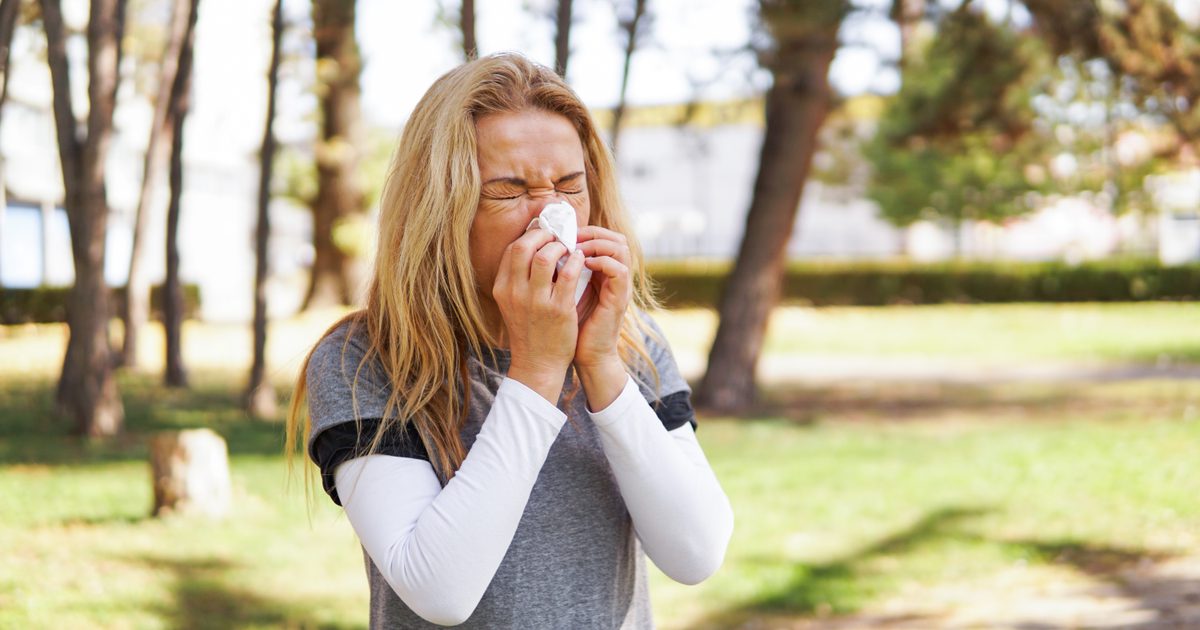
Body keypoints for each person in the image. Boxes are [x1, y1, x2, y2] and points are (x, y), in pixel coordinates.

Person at [285, 52, 734, 629]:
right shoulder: (365, 359)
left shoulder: (630, 342)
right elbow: (440, 590)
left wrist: (599, 363)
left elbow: (695, 553)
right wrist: (537, 371)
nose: (551, 216)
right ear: (440, 207)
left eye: (570, 186)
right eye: (508, 190)